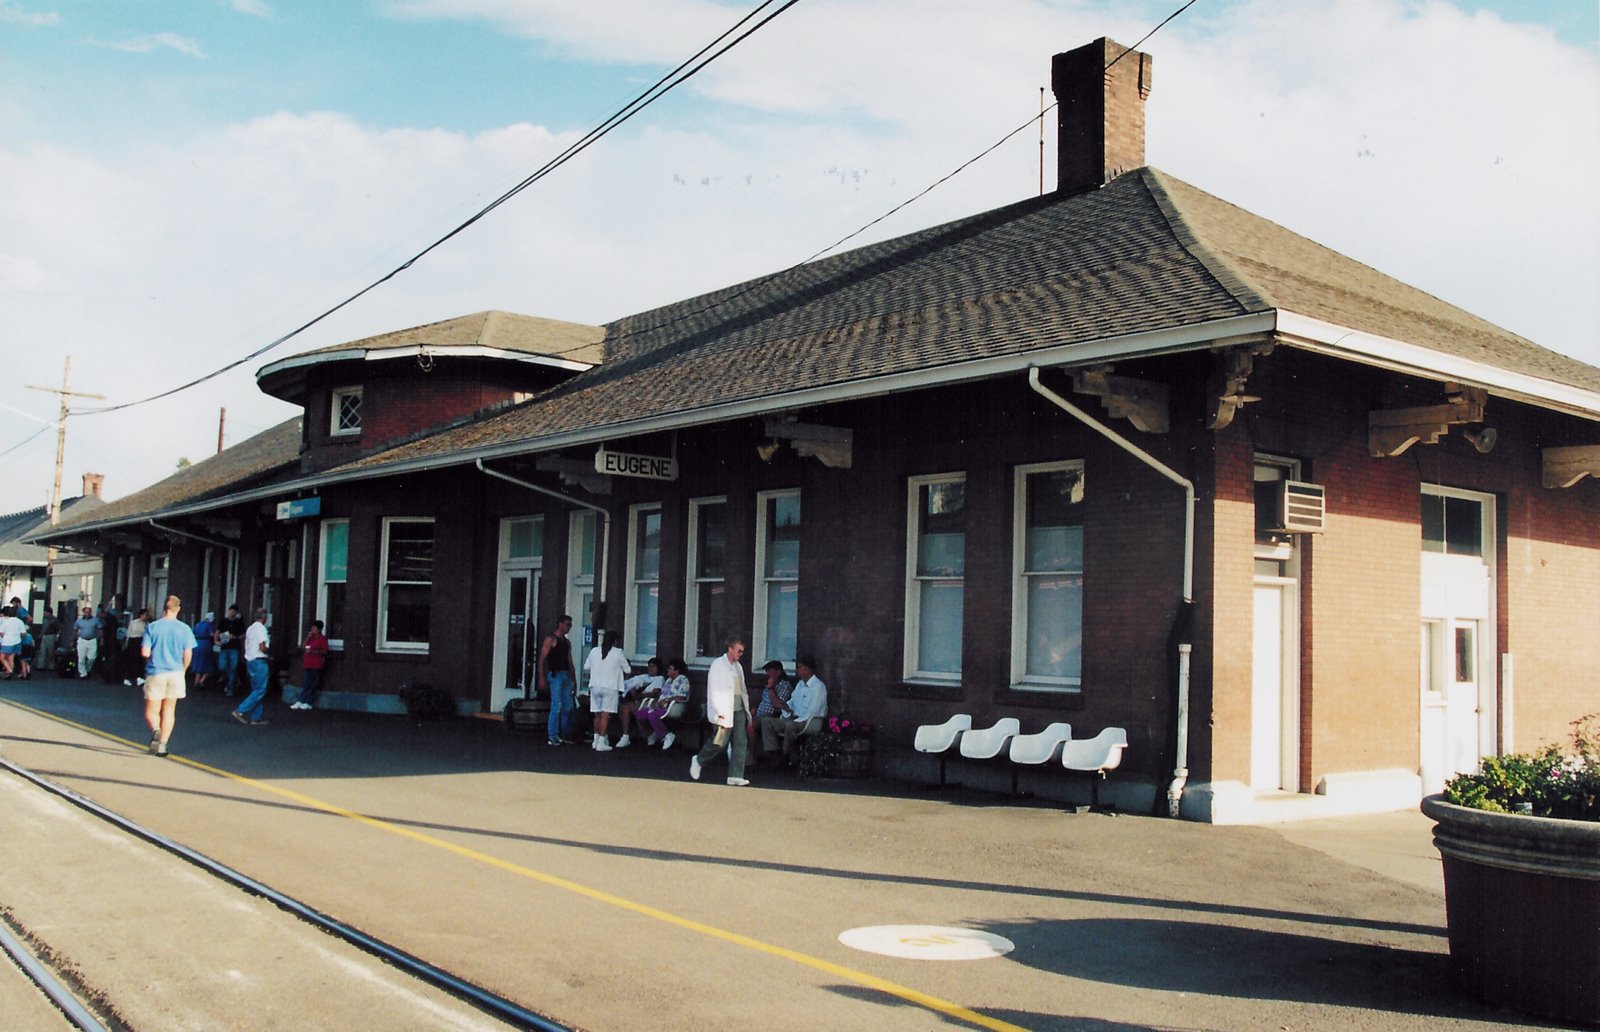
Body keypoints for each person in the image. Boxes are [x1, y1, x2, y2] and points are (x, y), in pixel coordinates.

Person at [690, 635, 752, 786]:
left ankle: (735, 775)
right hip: (724, 709)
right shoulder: (718, 665)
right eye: (739, 651)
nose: (741, 654)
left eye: (742, 651)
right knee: (720, 742)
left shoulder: (738, 666)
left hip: (738, 709)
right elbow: (714, 689)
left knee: (740, 742)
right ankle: (699, 760)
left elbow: (742, 689)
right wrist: (719, 710)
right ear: (730, 649)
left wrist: (746, 709)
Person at [140, 594, 196, 756]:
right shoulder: (184, 629)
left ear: (163, 608)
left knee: (152, 710)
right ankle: (163, 745)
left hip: (157, 671)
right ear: (178, 609)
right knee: (169, 710)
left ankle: (156, 729)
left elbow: (145, 652)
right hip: (176, 672)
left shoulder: (153, 627)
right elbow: (188, 654)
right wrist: (184, 670)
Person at [760, 655, 829, 762]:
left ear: (807, 669)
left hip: (808, 721)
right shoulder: (800, 684)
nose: (797, 670)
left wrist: (794, 718)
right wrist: (785, 706)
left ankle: (786, 755)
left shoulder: (818, 687)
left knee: (790, 725)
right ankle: (773, 754)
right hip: (794, 719)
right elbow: (791, 702)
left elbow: (813, 711)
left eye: (799, 667)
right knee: (767, 721)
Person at [582, 629, 631, 751]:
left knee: (597, 715)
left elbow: (586, 667)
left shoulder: (594, 651)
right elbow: (628, 670)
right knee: (605, 715)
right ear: (615, 641)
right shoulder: (618, 652)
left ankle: (596, 740)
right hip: (610, 686)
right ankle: (602, 742)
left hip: (595, 686)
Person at [537, 614, 577, 746]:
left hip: (566, 675)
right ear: (560, 624)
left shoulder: (566, 642)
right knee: (556, 706)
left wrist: (574, 679)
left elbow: (570, 661)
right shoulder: (551, 639)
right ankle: (552, 735)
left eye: (570, 625)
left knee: (567, 707)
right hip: (555, 675)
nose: (569, 627)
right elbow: (542, 659)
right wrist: (541, 677)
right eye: (567, 624)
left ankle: (564, 734)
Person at [635, 657, 692, 749]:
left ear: (677, 670)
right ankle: (654, 733)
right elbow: (662, 694)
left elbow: (682, 696)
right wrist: (655, 701)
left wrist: (667, 700)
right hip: (660, 706)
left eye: (670, 668)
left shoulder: (683, 680)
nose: (668, 670)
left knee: (652, 715)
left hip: (672, 707)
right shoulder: (668, 680)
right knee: (640, 714)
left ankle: (666, 735)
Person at [231, 608, 272, 725]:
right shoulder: (261, 629)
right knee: (260, 689)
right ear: (264, 618)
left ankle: (256, 717)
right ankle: (240, 710)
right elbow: (262, 647)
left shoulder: (250, 628)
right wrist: (269, 653)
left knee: (256, 689)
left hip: (250, 660)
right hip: (259, 660)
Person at [748, 660, 792, 758]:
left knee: (750, 726)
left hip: (770, 715)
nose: (768, 673)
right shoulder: (767, 685)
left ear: (778, 672)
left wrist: (771, 688)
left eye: (770, 671)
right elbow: (763, 701)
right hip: (758, 714)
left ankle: (751, 756)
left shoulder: (785, 686)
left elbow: (778, 705)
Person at [618, 657, 664, 745]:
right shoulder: (643, 677)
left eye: (653, 666)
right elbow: (626, 684)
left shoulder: (659, 679)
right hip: (635, 700)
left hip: (647, 703)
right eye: (649, 666)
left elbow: (655, 693)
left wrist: (638, 695)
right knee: (623, 707)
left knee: (625, 708)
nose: (650, 668)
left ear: (658, 668)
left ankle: (625, 736)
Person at [292, 619, 329, 710]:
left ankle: (309, 702)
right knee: (305, 683)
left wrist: (313, 651)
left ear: (319, 630)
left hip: (316, 664)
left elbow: (324, 651)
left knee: (312, 683)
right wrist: (308, 637)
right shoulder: (311, 638)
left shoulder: (322, 639)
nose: (312, 629)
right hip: (307, 664)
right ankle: (301, 700)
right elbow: (303, 647)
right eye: (312, 628)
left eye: (314, 628)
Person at [122, 606, 149, 686]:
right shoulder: (133, 622)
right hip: (132, 641)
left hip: (140, 641)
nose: (146, 616)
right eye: (145, 615)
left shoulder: (147, 624)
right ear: (141, 615)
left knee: (140, 660)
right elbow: (128, 633)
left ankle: (139, 677)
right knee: (131, 660)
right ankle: (128, 678)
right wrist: (126, 644)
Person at [190, 611, 216, 690]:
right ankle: (202, 680)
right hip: (206, 644)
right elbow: (212, 634)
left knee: (198, 663)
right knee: (207, 663)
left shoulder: (198, 624)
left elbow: (193, 633)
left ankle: (196, 681)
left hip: (196, 644)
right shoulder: (209, 625)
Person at [73, 605, 100, 678]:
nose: (87, 613)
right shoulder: (79, 620)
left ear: (91, 612)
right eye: (86, 612)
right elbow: (75, 629)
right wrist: (74, 639)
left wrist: (101, 638)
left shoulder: (95, 620)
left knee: (92, 658)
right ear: (83, 612)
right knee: (81, 658)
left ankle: (88, 670)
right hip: (82, 640)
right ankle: (83, 674)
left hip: (92, 640)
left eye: (88, 612)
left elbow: (100, 629)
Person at [0, 606, 25, 679]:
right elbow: (23, 634)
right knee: (11, 657)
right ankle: (9, 672)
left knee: (2, 658)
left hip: (7, 642)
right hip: (17, 641)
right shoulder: (20, 621)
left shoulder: (6, 622)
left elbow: (1, 633)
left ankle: (10, 670)